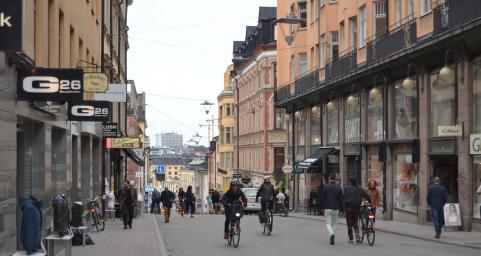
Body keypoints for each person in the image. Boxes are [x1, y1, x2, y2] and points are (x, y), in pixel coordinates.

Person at [343, 177, 371, 243]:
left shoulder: (346, 188)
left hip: (349, 207)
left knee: (349, 223)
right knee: (355, 222)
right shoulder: (360, 188)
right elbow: (366, 196)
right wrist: (369, 202)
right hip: (357, 207)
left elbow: (344, 198)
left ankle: (351, 239)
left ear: (350, 182)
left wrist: (343, 209)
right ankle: (357, 236)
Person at [320, 173, 344, 245]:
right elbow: (341, 199)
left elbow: (322, 198)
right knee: (334, 223)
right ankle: (332, 234)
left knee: (328, 223)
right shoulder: (338, 187)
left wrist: (321, 207)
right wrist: (342, 209)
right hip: (336, 208)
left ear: (329, 178)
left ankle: (331, 234)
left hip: (327, 208)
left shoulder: (325, 187)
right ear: (335, 179)